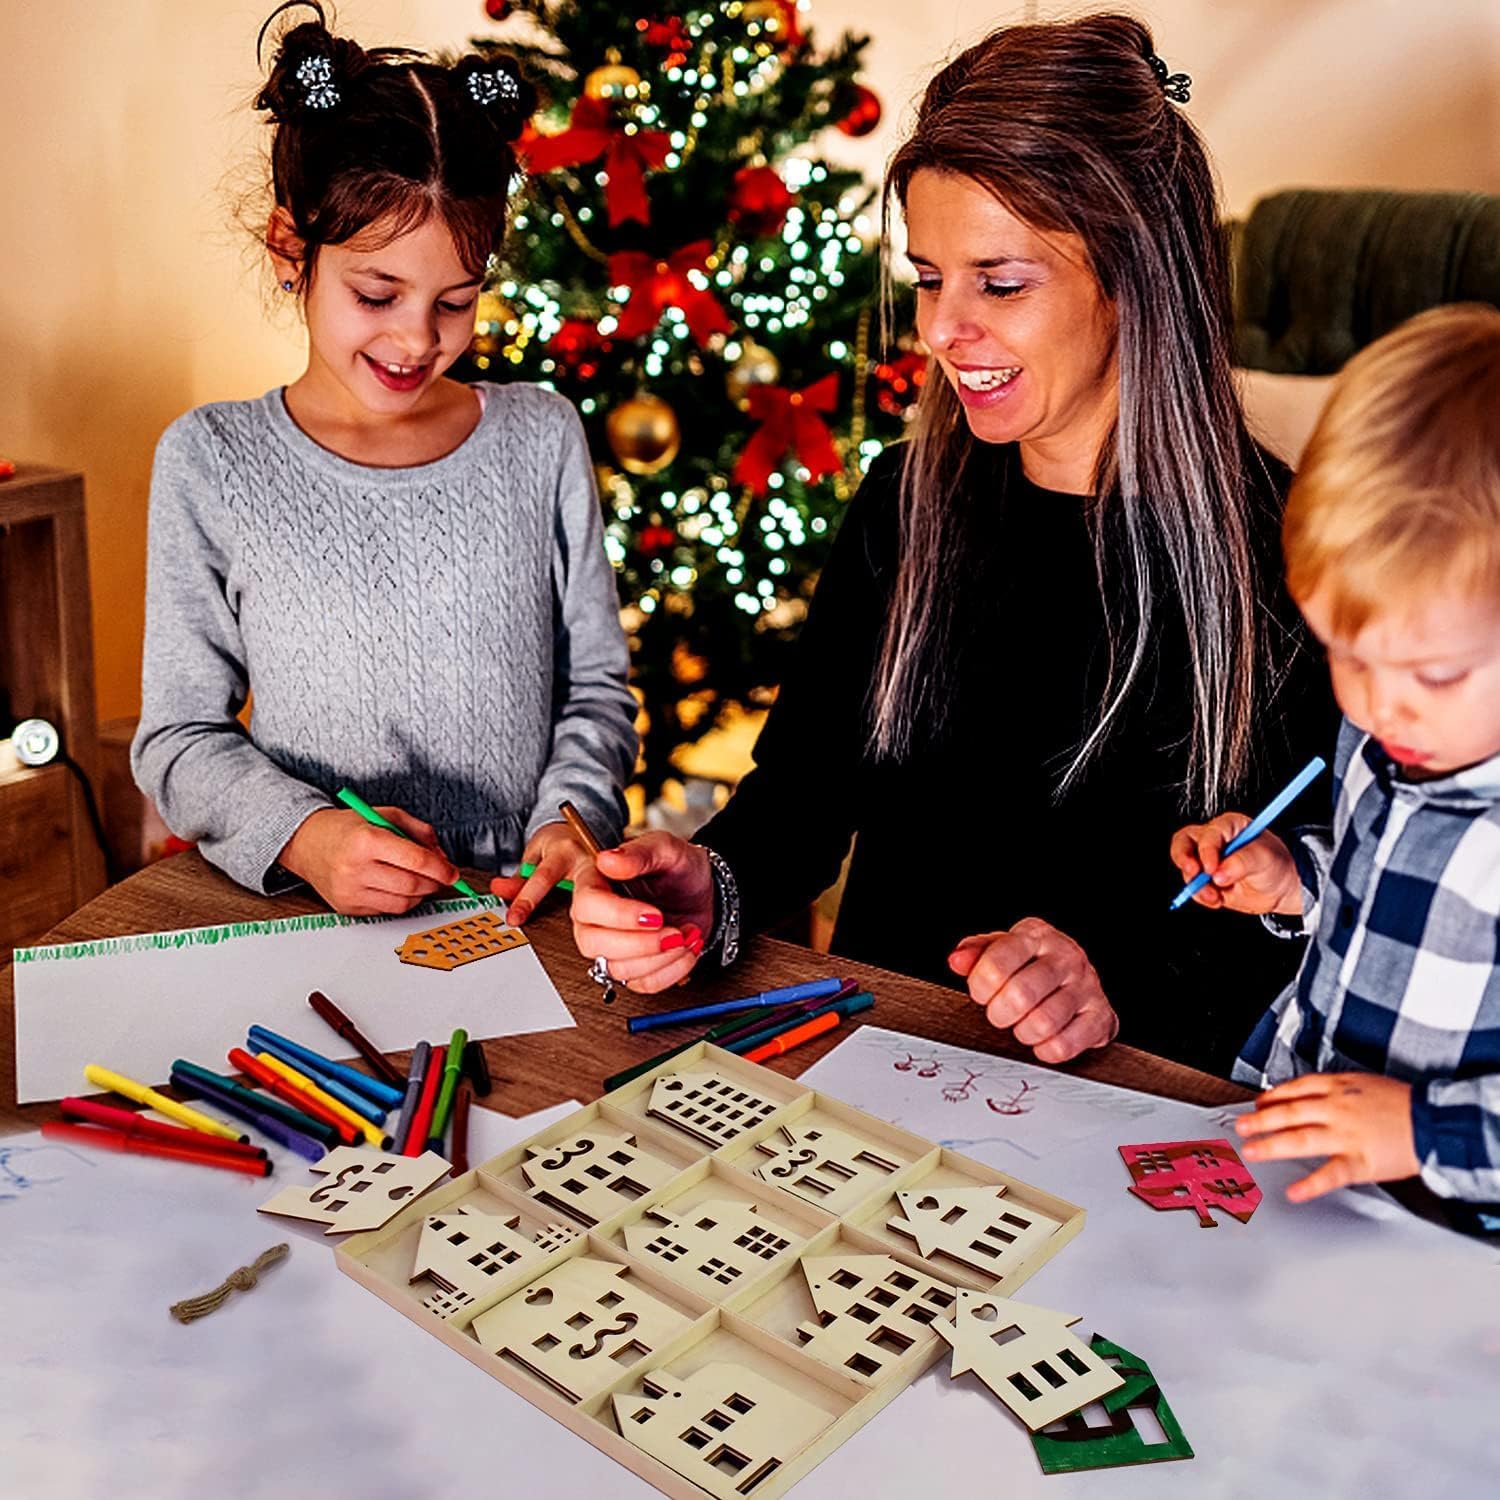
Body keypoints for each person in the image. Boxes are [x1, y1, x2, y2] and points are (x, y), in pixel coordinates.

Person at [556, 14, 1335, 1076]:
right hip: (870, 1083)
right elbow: (796, 806)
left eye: (1000, 284)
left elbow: (1311, 927)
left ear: (1135, 275)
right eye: (929, 278)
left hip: (1126, 1138)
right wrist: (710, 887)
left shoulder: (1291, 560)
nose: (939, 330)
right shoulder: (902, 506)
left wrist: (1110, 992)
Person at [132, 3, 636, 916]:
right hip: (309, 915)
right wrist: (308, 834)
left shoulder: (541, 436)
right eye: (378, 293)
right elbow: (178, 736)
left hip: (525, 916)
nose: (417, 339)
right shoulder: (212, 460)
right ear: (293, 251)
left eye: (456, 301)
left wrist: (572, 819)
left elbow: (596, 688)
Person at [1171, 305, 1500, 1213]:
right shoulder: (1394, 732)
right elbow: (1375, 892)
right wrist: (1294, 880)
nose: (1376, 702)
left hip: (1450, 1242)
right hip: (1294, 1164)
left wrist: (1419, 1130)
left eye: (1433, 672)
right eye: (1346, 655)